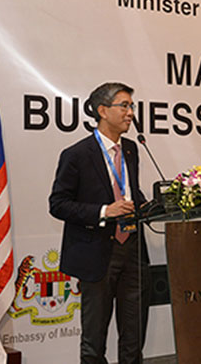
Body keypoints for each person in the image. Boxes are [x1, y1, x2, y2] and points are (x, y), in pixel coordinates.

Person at [49, 82, 148, 364]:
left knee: (134, 335)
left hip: (133, 250)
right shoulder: (77, 155)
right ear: (102, 111)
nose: (130, 113)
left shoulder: (131, 149)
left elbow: (130, 191)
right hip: (97, 252)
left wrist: (145, 205)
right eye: (124, 106)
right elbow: (58, 204)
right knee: (94, 340)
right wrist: (105, 211)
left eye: (131, 106)